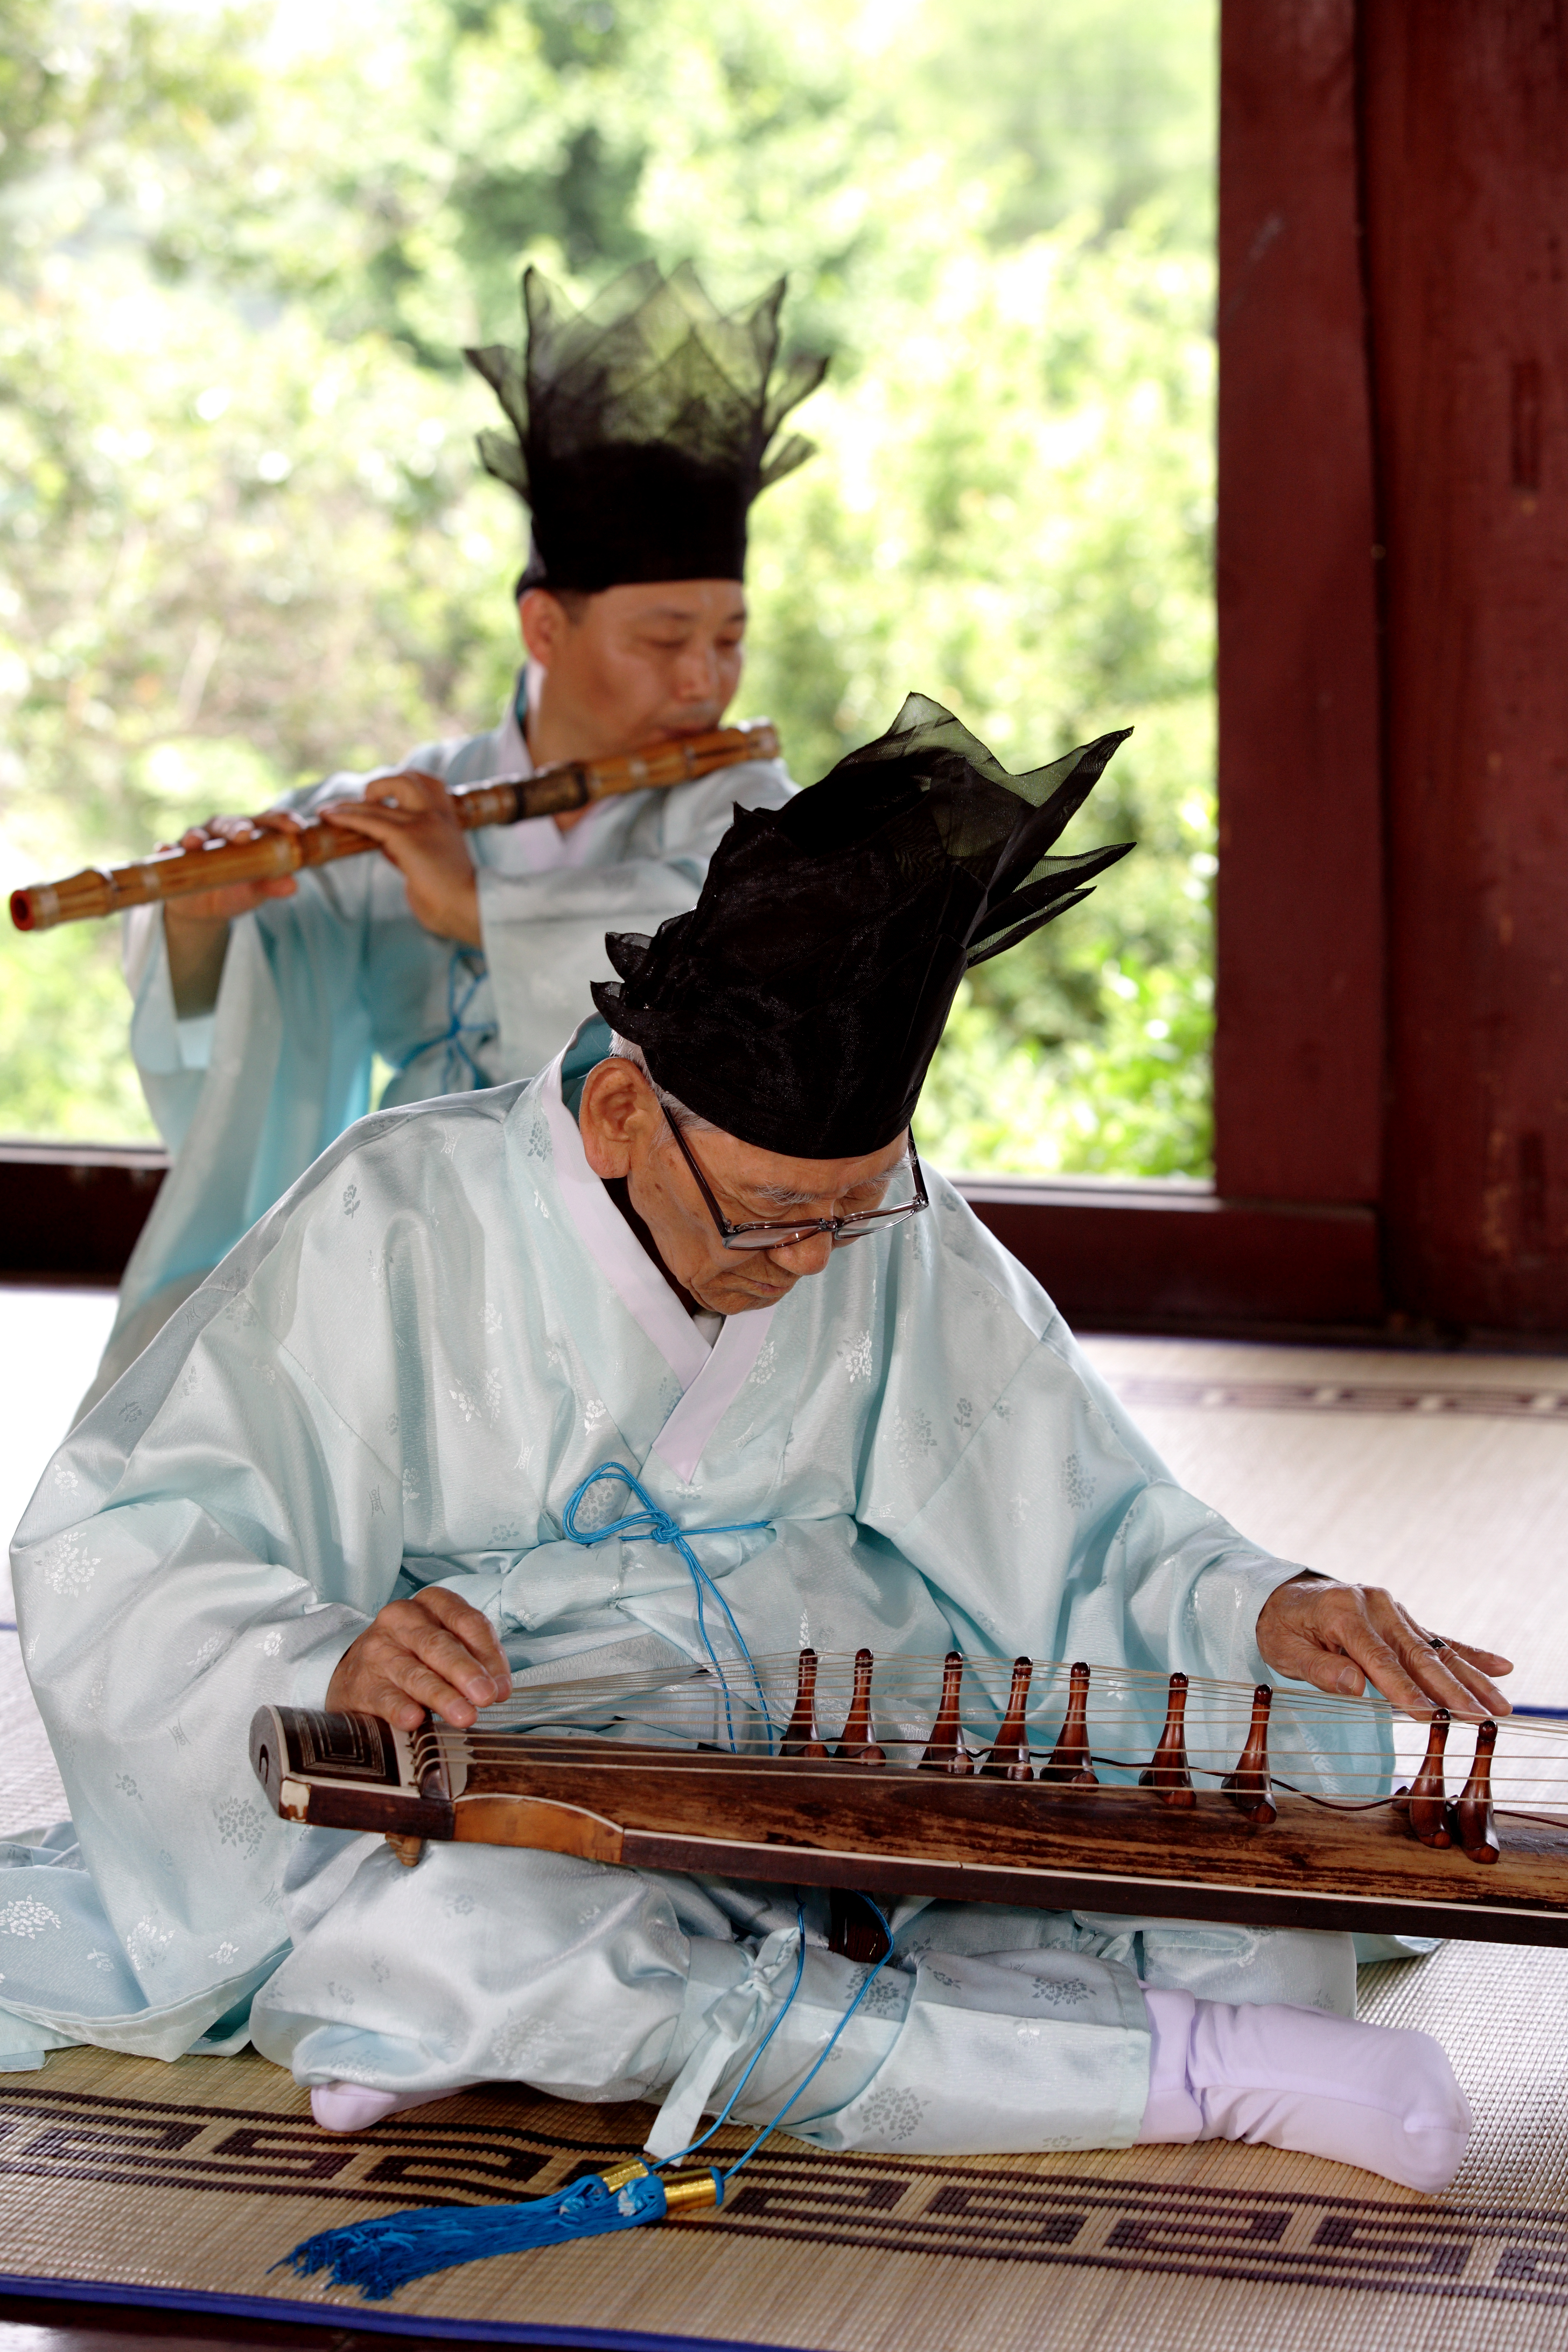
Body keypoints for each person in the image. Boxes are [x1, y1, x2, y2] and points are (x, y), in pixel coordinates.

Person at [8, 698, 1503, 2196]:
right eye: (776, 1216)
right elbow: (132, 1535)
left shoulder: (874, 1227)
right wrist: (331, 1659)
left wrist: (1265, 1603)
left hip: (843, 1711)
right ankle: (1180, 2074)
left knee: (1260, 1813)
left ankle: (623, 2018)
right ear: (615, 1117)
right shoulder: (390, 1221)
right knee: (454, 1939)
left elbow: (1086, 1511)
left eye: (858, 1208)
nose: (816, 1259)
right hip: (520, 1748)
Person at [81, 262, 825, 1415]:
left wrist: (480, 911)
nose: (706, 677)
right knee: (202, 1386)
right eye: (665, 637)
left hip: (654, 1255)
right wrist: (199, 925)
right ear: (544, 626)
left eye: (729, 638)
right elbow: (253, 1021)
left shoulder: (749, 808)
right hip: (417, 1229)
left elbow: (750, 992)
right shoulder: (418, 801)